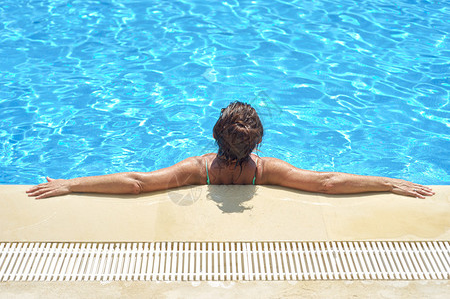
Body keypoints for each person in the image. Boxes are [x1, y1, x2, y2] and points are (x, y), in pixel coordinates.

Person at [26, 101, 435, 200]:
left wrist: (70, 184)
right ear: (257, 142)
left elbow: (136, 183)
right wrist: (389, 182)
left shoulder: (197, 168)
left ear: (216, 139)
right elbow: (327, 183)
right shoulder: (266, 169)